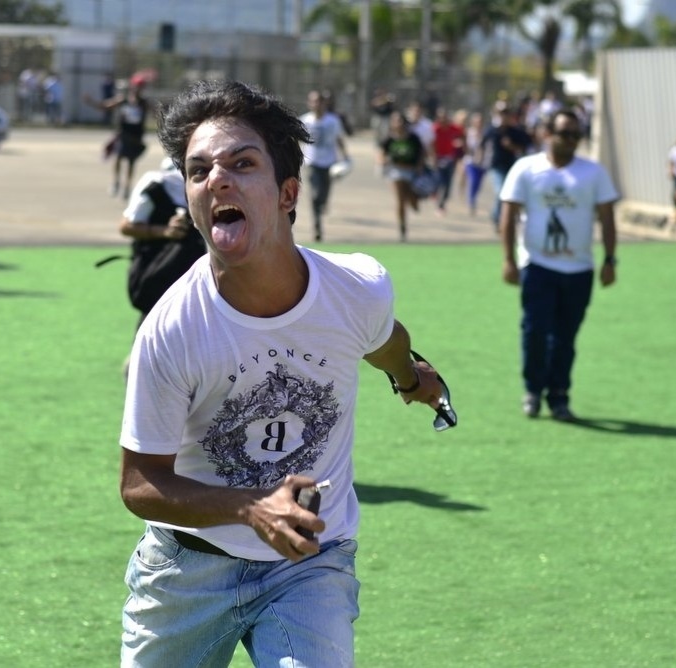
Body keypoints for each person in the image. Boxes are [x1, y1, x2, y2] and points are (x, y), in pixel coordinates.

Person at [119, 79, 451, 666]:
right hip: (188, 569)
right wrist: (252, 507)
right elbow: (141, 484)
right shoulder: (170, 330)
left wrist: (409, 376)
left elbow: (384, 340)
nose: (217, 179)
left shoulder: (356, 289)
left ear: (287, 191)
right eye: (198, 171)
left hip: (310, 565)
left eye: (242, 164)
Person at [499, 109, 619, 422]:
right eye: (565, 133)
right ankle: (532, 390)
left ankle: (559, 395)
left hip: (579, 269)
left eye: (576, 135)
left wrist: (610, 259)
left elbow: (606, 217)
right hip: (537, 265)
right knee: (535, 330)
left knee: (566, 337)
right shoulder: (526, 169)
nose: (571, 140)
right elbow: (508, 215)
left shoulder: (593, 173)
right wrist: (509, 260)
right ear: (547, 134)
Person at [120, 157, 206, 328]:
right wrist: (165, 231)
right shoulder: (157, 183)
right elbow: (126, 226)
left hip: (195, 278)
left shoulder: (213, 181)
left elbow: (126, 226)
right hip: (162, 273)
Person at [85, 81, 149, 199]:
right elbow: (105, 106)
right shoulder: (122, 100)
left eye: (139, 89)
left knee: (131, 162)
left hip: (136, 136)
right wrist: (91, 102)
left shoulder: (143, 103)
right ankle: (116, 182)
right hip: (123, 134)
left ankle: (127, 187)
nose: (136, 91)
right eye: (134, 89)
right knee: (118, 158)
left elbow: (156, 112)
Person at [301, 89, 349, 242]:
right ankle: (317, 228)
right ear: (309, 103)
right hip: (312, 162)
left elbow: (339, 139)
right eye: (314, 101)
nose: (317, 104)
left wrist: (345, 156)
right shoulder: (305, 120)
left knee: (324, 194)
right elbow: (296, 139)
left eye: (319, 101)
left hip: (329, 162)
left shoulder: (332, 121)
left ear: (324, 103)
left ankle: (322, 204)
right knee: (315, 196)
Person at [480, 106, 532, 231]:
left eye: (505, 114)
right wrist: (481, 158)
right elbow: (482, 144)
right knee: (500, 191)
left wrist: (512, 146)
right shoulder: (493, 130)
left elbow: (526, 146)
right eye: (500, 114)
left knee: (510, 193)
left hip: (512, 166)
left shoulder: (516, 131)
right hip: (497, 166)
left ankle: (502, 216)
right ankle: (498, 218)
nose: (503, 117)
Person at [378, 109, 425, 241]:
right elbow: (381, 153)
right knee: (400, 200)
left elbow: (421, 154)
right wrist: (383, 161)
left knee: (412, 201)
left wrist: (419, 167)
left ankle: (413, 202)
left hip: (411, 171)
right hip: (395, 171)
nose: (397, 123)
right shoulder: (389, 138)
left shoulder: (413, 138)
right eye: (394, 121)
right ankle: (402, 226)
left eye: (399, 121)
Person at [430, 107, 464, 215]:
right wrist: (433, 157)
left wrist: (460, 144)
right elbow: (431, 144)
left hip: (450, 159)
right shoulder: (435, 129)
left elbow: (462, 138)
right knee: (439, 180)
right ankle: (437, 198)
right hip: (438, 158)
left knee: (448, 183)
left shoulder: (455, 128)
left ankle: (442, 203)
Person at [461, 111, 487, 217]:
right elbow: (465, 147)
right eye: (477, 121)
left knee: (478, 184)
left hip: (483, 163)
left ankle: (473, 198)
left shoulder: (485, 133)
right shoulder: (468, 132)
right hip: (470, 161)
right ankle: (471, 202)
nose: (478, 123)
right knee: (473, 180)